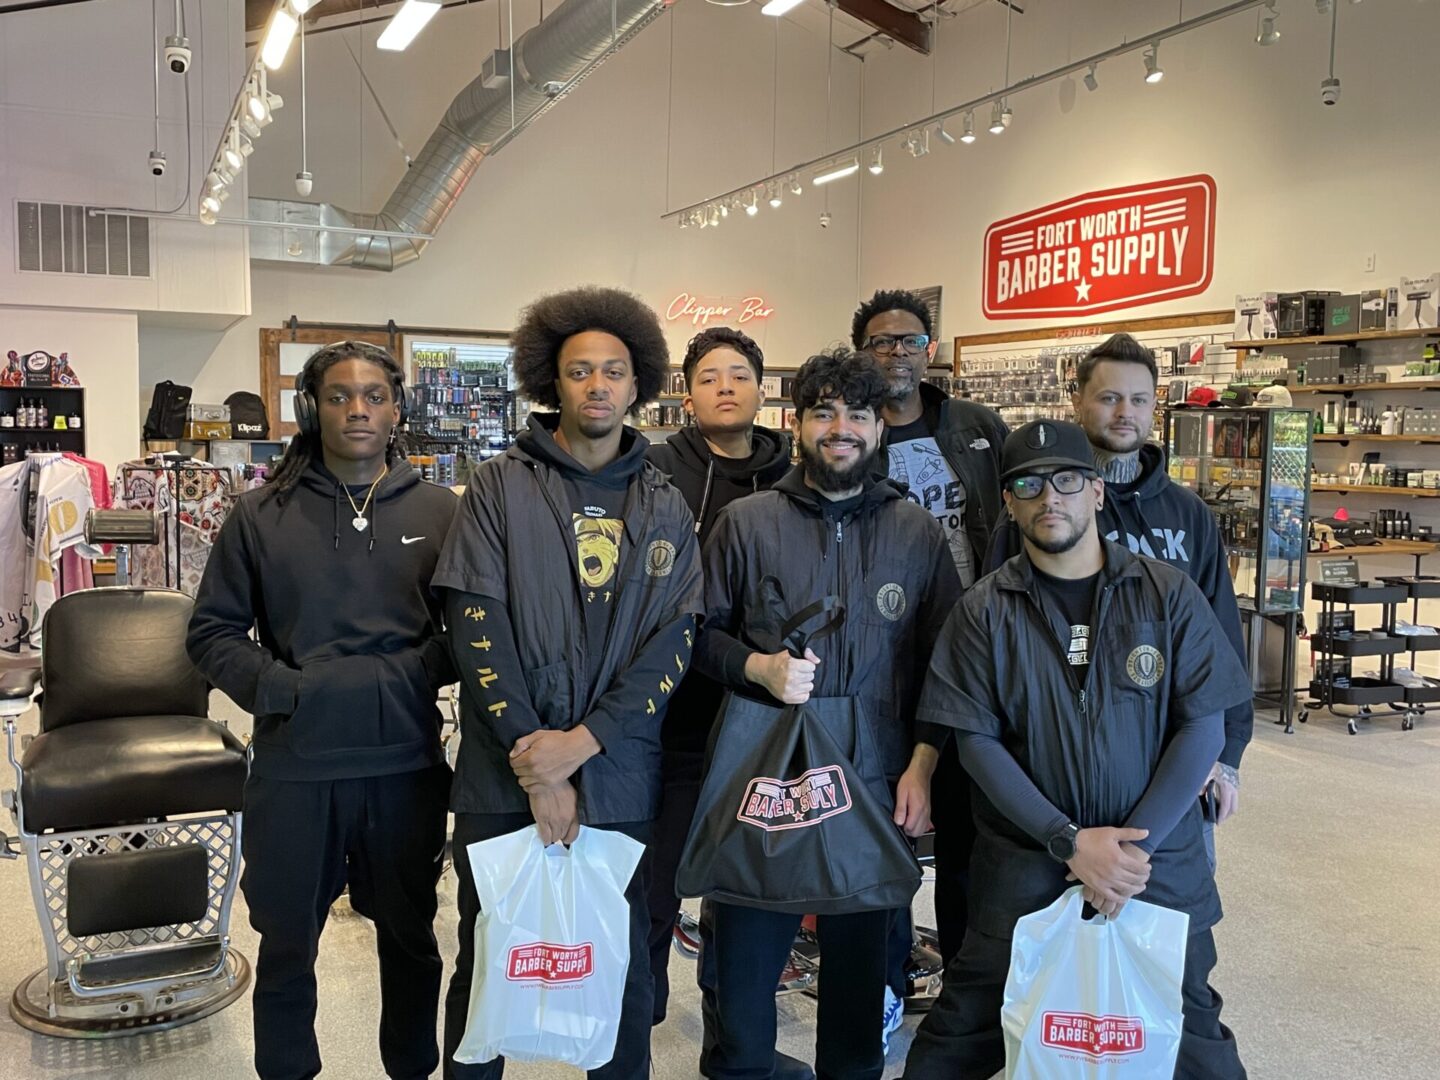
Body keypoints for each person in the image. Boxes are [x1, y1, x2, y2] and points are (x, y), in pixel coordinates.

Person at [903, 419, 1250, 1080]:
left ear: (1095, 491)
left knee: (1191, 1036)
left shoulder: (1166, 593)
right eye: (1027, 485)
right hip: (1027, 869)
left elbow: (1203, 725)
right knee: (961, 1036)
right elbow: (976, 743)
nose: (1048, 498)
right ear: (1008, 502)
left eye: (1065, 480)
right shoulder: (982, 611)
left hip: (1158, 871)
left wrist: (1129, 852)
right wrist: (1067, 841)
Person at [432, 286, 703, 1080]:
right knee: (489, 959)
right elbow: (475, 626)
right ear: (553, 380)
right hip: (499, 774)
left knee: (620, 964)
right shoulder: (496, 486)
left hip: (620, 774)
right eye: (579, 371)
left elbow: (674, 640)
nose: (597, 386)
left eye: (614, 372)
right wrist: (536, 758)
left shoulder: (665, 504)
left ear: (638, 384)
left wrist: (583, 745)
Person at [187, 341, 458, 1080]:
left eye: (374, 395)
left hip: (405, 764)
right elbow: (210, 632)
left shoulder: (441, 512)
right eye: (339, 395)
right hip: (294, 767)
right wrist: (288, 690)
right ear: (312, 408)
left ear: (397, 409)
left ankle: (411, 1068)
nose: (358, 409)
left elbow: (468, 632)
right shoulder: (260, 514)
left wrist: (404, 679)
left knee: (410, 941)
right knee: (286, 945)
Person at [696, 348, 961, 1080]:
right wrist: (758, 669)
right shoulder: (745, 523)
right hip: (764, 782)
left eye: (857, 413)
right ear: (799, 422)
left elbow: (946, 661)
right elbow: (695, 637)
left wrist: (925, 762)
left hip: (874, 783)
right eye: (823, 412)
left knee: (858, 1001)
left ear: (879, 428)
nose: (839, 428)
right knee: (744, 991)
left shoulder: (917, 533)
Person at [984, 333, 1250, 868]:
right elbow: (992, 626)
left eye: (1139, 399)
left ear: (1156, 406)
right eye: (1108, 398)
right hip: (1053, 753)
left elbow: (1223, 637)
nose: (1124, 412)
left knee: (1164, 915)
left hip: (1173, 753)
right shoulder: (1043, 510)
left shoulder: (1188, 514)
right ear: (1078, 401)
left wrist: (1227, 756)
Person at [641, 327, 800, 1075]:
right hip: (667, 711)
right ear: (687, 392)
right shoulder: (652, 469)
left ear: (763, 389)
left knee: (740, 893)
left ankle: (731, 1050)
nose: (726, 387)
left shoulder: (793, 476)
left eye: (740, 374)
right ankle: (629, 1031)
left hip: (760, 714)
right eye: (709, 377)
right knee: (657, 883)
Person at [855, 288, 1009, 997]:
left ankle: (964, 984)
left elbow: (1015, 522)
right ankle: (884, 981)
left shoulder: (976, 427)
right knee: (888, 829)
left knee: (968, 833)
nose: (897, 353)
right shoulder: (851, 431)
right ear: (862, 352)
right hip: (888, 661)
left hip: (976, 655)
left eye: (910, 340)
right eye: (882, 342)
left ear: (931, 350)